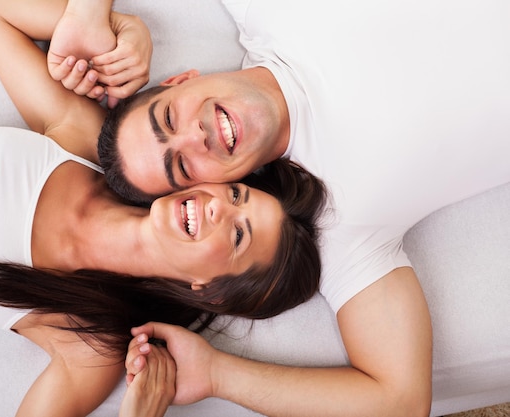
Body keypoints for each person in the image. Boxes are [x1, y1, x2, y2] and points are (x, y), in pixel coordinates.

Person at [52, 0, 510, 416]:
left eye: (170, 118)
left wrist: (90, 15)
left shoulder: (264, 11)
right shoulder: (337, 220)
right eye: (184, 167)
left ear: (180, 80)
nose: (197, 137)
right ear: (209, 190)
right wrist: (217, 375)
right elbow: (401, 402)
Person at [0, 2, 328, 417]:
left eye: (237, 236)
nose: (218, 208)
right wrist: (117, 27)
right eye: (236, 196)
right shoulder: (86, 148)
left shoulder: (93, 344)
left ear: (209, 290)